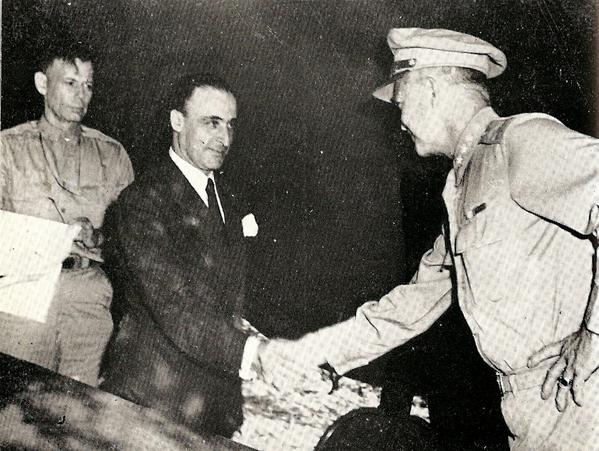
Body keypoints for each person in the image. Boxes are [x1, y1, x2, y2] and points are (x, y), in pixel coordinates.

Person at [258, 28, 599, 449]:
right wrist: (310, 352)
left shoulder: (519, 143)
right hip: (532, 407)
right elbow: (410, 306)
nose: (399, 120)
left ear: (432, 89)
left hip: (582, 402)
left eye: (401, 102)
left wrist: (592, 340)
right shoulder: (464, 188)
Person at [101, 73, 262, 438]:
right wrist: (259, 355)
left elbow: (234, 297)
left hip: (213, 406)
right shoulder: (143, 202)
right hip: (152, 401)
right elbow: (177, 310)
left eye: (230, 126)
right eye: (211, 123)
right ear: (177, 121)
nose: (224, 138)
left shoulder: (230, 200)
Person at [0, 40, 134, 387]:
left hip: (89, 295)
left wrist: (100, 236)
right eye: (71, 83)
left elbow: (133, 237)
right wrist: (57, 238)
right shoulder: (7, 148)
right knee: (18, 408)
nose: (82, 95)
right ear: (42, 84)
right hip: (23, 292)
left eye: (88, 85)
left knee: (82, 411)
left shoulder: (112, 155)